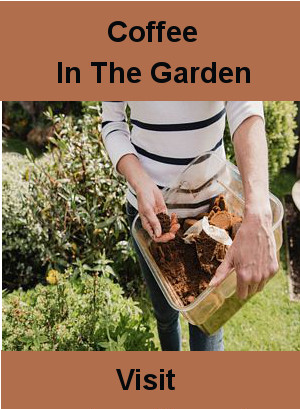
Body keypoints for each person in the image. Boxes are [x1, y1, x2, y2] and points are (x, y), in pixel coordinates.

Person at [102, 101, 278, 351]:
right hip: (151, 219)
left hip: (213, 216)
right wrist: (139, 180)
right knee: (165, 315)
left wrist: (258, 214)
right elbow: (112, 123)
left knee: (207, 323)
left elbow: (246, 107)